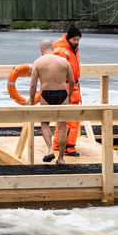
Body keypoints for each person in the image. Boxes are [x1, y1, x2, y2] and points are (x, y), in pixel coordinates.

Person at [28, 38, 75, 165]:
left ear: (41, 50)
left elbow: (33, 85)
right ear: (52, 49)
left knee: (44, 123)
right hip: (62, 94)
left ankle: (50, 149)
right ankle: (61, 159)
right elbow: (71, 81)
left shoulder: (38, 62)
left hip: (47, 94)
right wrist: (69, 95)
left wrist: (32, 102)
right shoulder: (64, 61)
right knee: (62, 127)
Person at [51, 24, 84, 156]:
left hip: (73, 87)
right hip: (66, 88)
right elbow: (55, 70)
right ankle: (67, 147)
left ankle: (60, 144)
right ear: (68, 38)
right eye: (74, 39)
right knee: (70, 119)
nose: (76, 42)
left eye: (78, 40)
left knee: (67, 119)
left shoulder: (72, 50)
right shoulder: (61, 51)